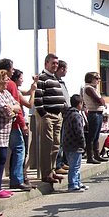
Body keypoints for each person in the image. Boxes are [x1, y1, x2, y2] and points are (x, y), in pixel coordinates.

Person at [0, 58, 29, 191]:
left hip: (9, 122)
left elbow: (15, 105)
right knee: (19, 149)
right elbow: (16, 107)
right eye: (12, 68)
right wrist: (23, 125)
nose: (13, 70)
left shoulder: (5, 85)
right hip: (12, 124)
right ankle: (17, 179)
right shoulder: (10, 84)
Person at [34, 54, 67, 184]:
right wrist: (44, 114)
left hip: (58, 115)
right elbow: (38, 98)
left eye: (57, 63)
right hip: (48, 115)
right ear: (46, 63)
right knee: (47, 145)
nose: (55, 65)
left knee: (55, 145)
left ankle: (52, 171)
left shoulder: (55, 78)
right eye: (53, 63)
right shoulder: (42, 78)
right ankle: (46, 173)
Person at [0, 69, 21, 198]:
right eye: (5, 80)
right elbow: (7, 113)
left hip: (5, 134)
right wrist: (12, 109)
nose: (7, 82)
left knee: (2, 159)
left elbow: (17, 105)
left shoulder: (4, 93)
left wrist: (12, 108)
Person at [62, 94, 89, 193]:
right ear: (79, 104)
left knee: (75, 165)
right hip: (75, 145)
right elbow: (79, 131)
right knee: (75, 166)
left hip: (67, 143)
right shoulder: (77, 115)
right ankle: (72, 184)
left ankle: (78, 182)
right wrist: (83, 143)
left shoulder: (67, 114)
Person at [82, 72, 108, 165]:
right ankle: (90, 156)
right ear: (90, 79)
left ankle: (97, 154)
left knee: (97, 135)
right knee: (92, 136)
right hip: (94, 113)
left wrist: (102, 102)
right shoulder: (89, 88)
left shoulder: (94, 88)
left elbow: (101, 101)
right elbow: (99, 100)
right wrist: (102, 101)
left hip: (98, 112)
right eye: (96, 78)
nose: (98, 80)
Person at [55, 60, 70, 174]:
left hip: (66, 114)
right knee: (57, 141)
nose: (66, 71)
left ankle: (62, 162)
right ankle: (57, 164)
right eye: (65, 69)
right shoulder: (54, 81)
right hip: (59, 114)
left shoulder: (61, 81)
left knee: (62, 140)